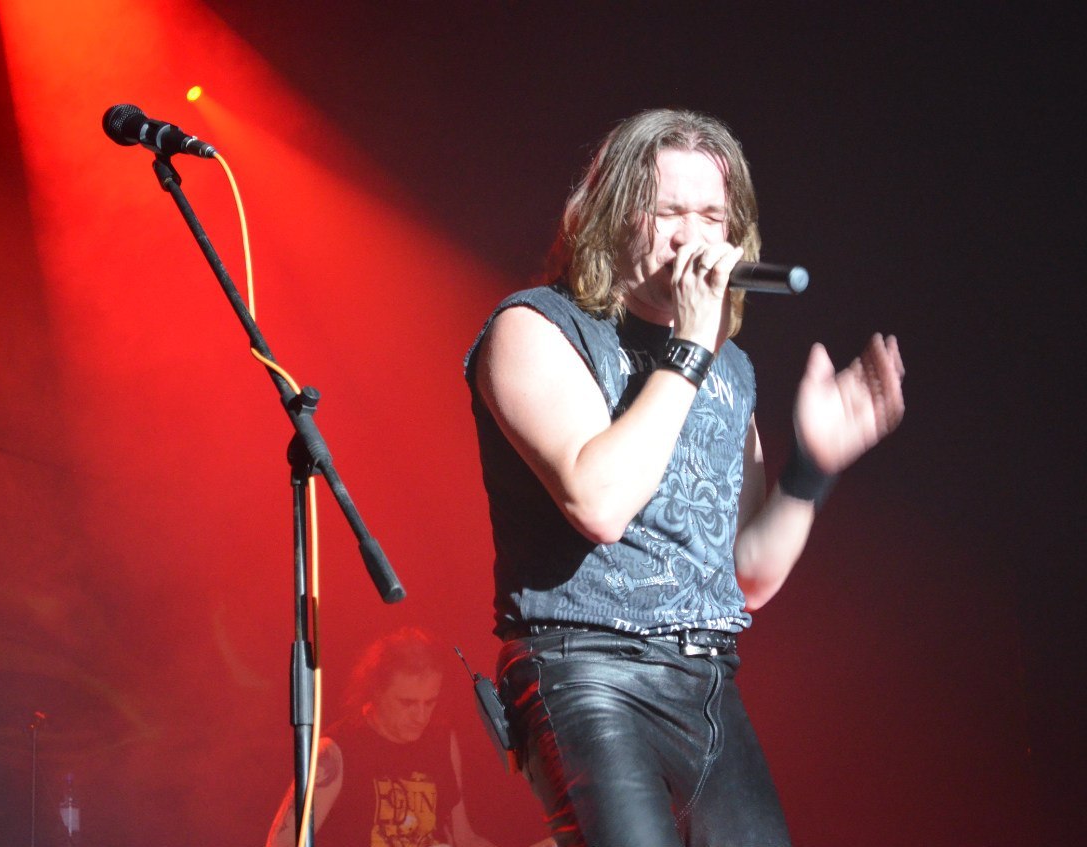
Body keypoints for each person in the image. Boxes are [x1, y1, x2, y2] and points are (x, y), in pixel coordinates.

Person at [463, 108, 906, 847]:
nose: (691, 237)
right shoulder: (536, 329)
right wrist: (692, 347)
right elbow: (598, 502)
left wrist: (810, 468)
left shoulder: (729, 369)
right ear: (610, 217)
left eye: (711, 216)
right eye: (669, 212)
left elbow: (747, 575)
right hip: (587, 671)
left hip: (706, 682)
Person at [265, 627, 516, 847]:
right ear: (376, 691)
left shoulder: (441, 740)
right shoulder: (334, 753)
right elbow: (281, 844)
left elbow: (463, 837)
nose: (421, 716)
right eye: (407, 703)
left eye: (430, 702)